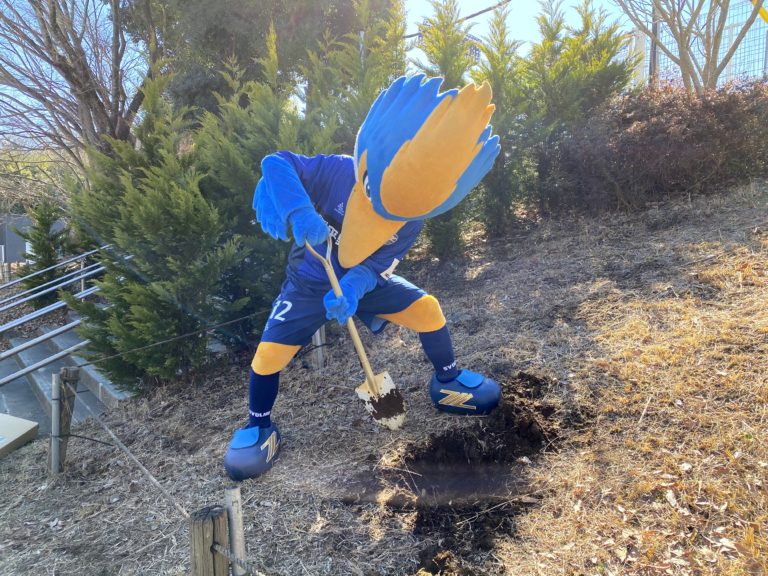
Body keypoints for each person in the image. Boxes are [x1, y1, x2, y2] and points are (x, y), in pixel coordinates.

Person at [224, 75, 502, 481]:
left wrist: (354, 288)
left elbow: (377, 267)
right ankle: (259, 426)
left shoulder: (411, 220)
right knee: (267, 357)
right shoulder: (338, 171)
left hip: (362, 286)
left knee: (427, 310)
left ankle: (448, 380)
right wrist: (298, 210)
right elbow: (277, 162)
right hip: (308, 283)